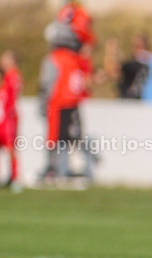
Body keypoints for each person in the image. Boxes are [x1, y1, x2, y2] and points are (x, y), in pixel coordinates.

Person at [39, 19, 93, 184]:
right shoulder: (76, 59)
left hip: (58, 104)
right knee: (73, 138)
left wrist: (43, 103)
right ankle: (75, 169)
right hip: (72, 104)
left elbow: (46, 84)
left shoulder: (54, 58)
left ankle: (53, 169)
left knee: (55, 138)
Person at [0, 51, 23, 191]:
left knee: (10, 150)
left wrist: (12, 123)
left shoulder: (7, 87)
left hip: (5, 125)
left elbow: (12, 103)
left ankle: (15, 178)